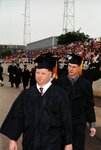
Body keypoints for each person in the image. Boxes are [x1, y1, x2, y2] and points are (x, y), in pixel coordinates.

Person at [0, 53, 72, 150]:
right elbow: (18, 117)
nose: (39, 76)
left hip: (52, 143)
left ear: (50, 74)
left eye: (43, 73)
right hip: (30, 142)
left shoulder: (60, 94)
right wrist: (13, 139)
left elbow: (66, 120)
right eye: (37, 73)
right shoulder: (26, 94)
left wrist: (68, 143)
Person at [55, 54, 96, 150]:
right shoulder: (59, 82)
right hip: (62, 123)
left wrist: (92, 125)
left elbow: (89, 105)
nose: (71, 69)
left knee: (78, 146)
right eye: (69, 66)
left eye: (74, 67)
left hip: (79, 123)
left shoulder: (86, 84)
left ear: (79, 68)